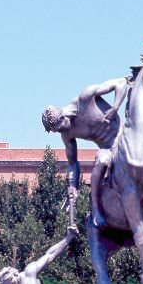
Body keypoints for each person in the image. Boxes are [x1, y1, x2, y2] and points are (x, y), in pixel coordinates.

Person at [42, 77, 130, 227]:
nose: (61, 132)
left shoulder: (85, 98)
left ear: (63, 116)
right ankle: (96, 211)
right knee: (101, 161)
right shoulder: (67, 135)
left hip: (125, 133)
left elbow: (121, 83)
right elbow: (72, 162)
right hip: (109, 149)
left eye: (60, 127)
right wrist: (72, 186)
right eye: (57, 131)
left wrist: (115, 107)